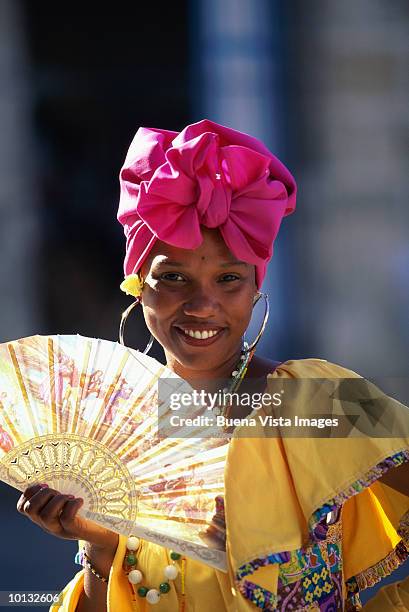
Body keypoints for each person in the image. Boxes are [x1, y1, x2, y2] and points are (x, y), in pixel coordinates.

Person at [17, 119, 409, 611]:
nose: (203, 305)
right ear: (137, 286)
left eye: (228, 278)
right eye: (174, 277)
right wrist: (101, 546)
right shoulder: (110, 432)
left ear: (255, 288)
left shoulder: (323, 400)